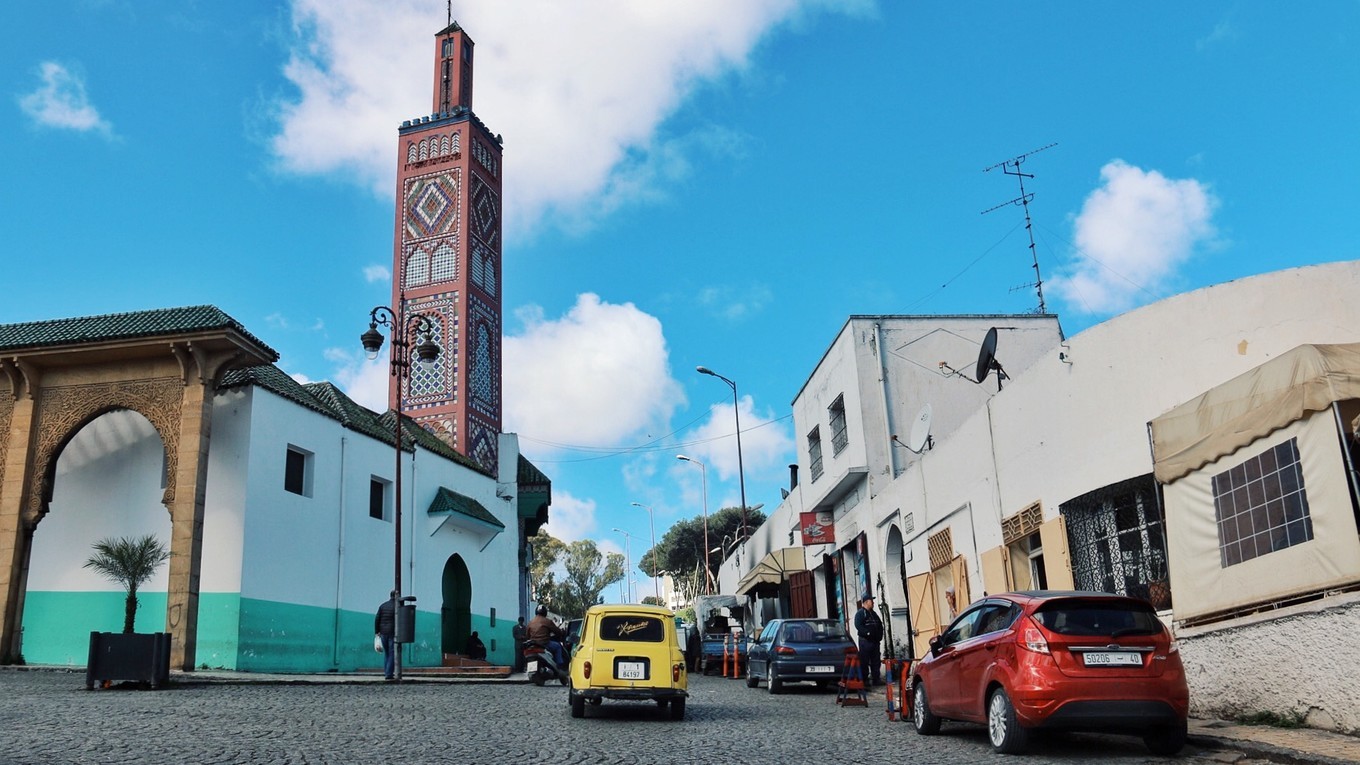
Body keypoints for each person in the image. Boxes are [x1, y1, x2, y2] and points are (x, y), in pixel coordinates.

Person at [854, 592, 884, 686]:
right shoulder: (860, 613)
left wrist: (879, 636)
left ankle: (876, 679)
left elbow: (879, 624)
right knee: (864, 661)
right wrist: (867, 633)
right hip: (865, 642)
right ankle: (865, 680)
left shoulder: (873, 614)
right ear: (866, 602)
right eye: (871, 601)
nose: (873, 603)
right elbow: (858, 625)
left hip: (875, 642)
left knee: (876, 661)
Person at [526, 604, 567, 669]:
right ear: (545, 612)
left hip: (533, 644)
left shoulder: (530, 622)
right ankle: (560, 665)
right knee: (557, 646)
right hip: (544, 643)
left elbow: (527, 636)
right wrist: (562, 632)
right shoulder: (547, 621)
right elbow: (557, 631)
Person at [374, 590, 397, 680]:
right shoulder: (397, 606)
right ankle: (389, 674)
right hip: (392, 632)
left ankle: (387, 672)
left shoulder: (383, 606)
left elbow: (377, 619)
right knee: (392, 653)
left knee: (387, 653)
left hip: (383, 632)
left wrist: (377, 631)